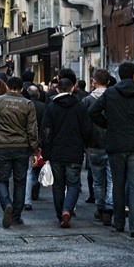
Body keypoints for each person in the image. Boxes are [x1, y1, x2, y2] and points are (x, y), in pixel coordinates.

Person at [89, 62, 134, 238]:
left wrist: (108, 125)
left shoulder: (111, 93)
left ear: (119, 76)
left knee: (118, 185)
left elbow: (92, 112)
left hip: (116, 144)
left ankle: (118, 222)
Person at [0, 76, 39, 228]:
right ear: (22, 89)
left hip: (2, 145)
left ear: (7, 87)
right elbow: (32, 130)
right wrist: (34, 151)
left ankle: (6, 204)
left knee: (2, 179)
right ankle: (16, 216)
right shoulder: (28, 104)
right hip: (22, 147)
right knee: (20, 182)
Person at [40, 78, 92, 228]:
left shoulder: (51, 107)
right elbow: (87, 129)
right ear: (72, 88)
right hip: (74, 151)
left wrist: (46, 150)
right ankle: (67, 210)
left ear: (57, 90)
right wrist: (83, 144)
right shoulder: (79, 107)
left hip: (56, 151)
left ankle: (60, 214)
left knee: (58, 185)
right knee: (73, 184)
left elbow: (46, 131)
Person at [82, 69, 113, 225]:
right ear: (108, 81)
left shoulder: (87, 101)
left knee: (97, 180)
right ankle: (109, 206)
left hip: (93, 145)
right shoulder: (114, 97)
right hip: (112, 143)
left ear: (94, 81)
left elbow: (83, 124)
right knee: (111, 179)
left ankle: (100, 207)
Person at [24, 85, 45, 211]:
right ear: (38, 95)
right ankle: (35, 183)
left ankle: (28, 196)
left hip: (25, 141)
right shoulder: (43, 106)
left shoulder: (24, 106)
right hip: (39, 140)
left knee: (27, 170)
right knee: (36, 166)